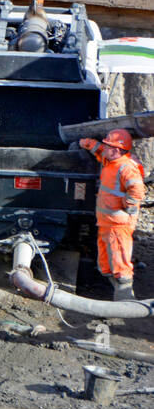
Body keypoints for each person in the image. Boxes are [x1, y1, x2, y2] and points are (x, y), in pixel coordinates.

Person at [79, 128, 145, 302]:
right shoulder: (111, 161)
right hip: (107, 223)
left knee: (120, 264)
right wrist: (85, 143)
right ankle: (115, 294)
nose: (104, 147)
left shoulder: (126, 167)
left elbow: (137, 190)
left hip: (118, 224)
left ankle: (125, 303)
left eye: (108, 145)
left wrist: (128, 206)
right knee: (107, 262)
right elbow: (99, 150)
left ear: (116, 149)